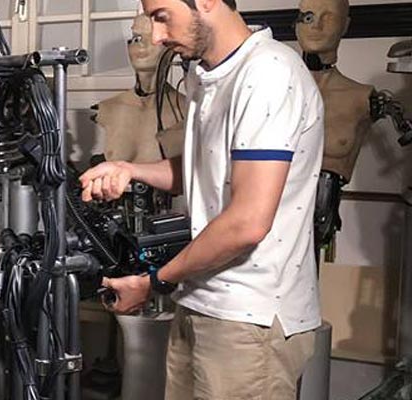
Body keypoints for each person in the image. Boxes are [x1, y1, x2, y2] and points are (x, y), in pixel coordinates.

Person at [83, 0, 324, 398]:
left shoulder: (268, 73)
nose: (156, 37)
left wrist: (154, 282)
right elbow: (206, 166)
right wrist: (131, 170)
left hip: (249, 319)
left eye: (162, 17)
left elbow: (247, 223)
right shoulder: (206, 72)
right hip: (199, 300)